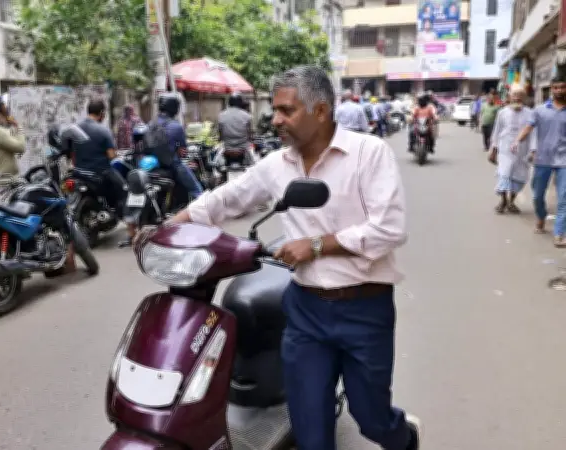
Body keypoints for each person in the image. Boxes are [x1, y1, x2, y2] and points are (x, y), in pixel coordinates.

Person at [153, 65, 421, 450]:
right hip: (306, 310)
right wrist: (168, 227)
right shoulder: (277, 164)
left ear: (322, 111)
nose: (275, 119)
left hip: (365, 308)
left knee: (372, 419)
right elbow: (227, 198)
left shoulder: (368, 153)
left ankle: (404, 436)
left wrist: (316, 245)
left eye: (286, 110)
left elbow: (390, 228)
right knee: (310, 432)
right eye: (275, 110)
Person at [513, 71, 566, 242]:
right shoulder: (540, 110)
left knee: (564, 197)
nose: (559, 90)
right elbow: (528, 127)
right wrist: (517, 141)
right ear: (551, 89)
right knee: (537, 196)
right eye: (556, 87)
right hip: (543, 159)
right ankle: (541, 217)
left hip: (564, 160)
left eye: (563, 87)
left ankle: (559, 233)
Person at [69, 98, 131, 244]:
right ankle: (131, 231)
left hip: (78, 173)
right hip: (100, 173)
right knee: (125, 191)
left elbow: (72, 154)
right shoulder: (103, 130)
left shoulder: (75, 129)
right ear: (102, 113)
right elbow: (111, 155)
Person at [488, 86, 535, 214]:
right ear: (510, 97)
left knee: (519, 177)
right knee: (504, 174)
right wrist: (493, 149)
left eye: (520, 95)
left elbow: (533, 133)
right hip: (505, 150)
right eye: (515, 95)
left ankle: (511, 202)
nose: (517, 98)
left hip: (522, 150)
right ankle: (503, 200)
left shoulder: (530, 113)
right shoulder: (502, 112)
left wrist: (533, 150)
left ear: (524, 98)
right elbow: (496, 131)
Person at [149, 92, 204, 200]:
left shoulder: (150, 124)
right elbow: (182, 151)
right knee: (196, 189)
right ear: (174, 107)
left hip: (151, 165)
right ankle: (202, 204)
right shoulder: (176, 126)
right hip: (171, 165)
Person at [214, 93, 257, 168]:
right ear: (240, 103)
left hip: (227, 148)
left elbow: (220, 135)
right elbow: (250, 135)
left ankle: (219, 176)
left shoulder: (221, 115)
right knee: (254, 164)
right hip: (243, 149)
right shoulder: (247, 116)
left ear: (229, 102)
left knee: (216, 164)